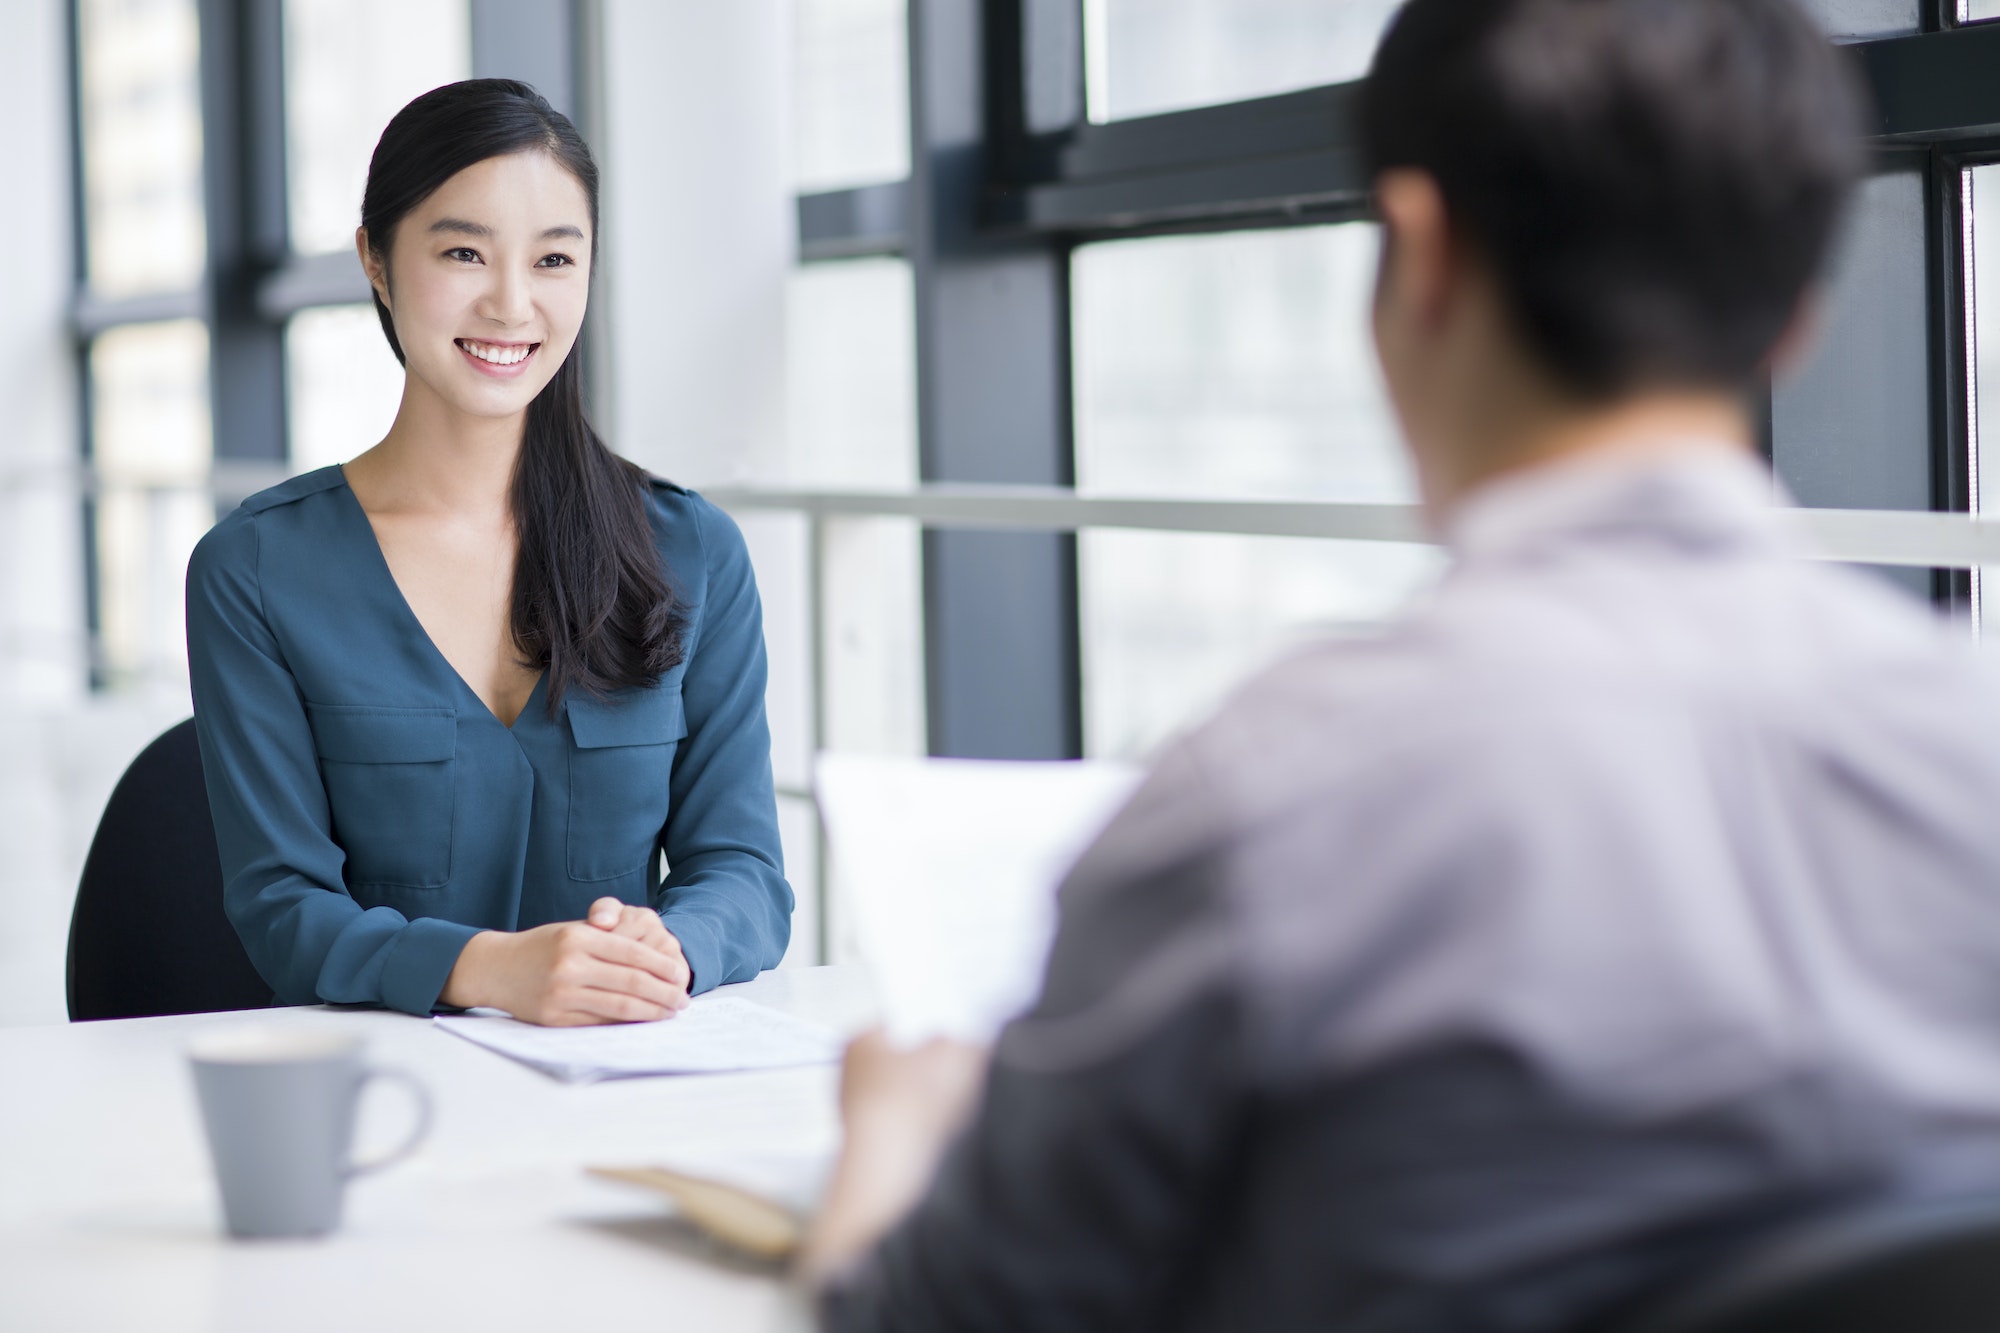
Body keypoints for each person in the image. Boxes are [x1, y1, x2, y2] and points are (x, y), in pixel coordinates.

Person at [803, 1, 2000, 1328]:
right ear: (1796, 317)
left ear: (1422, 256)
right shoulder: (1973, 744)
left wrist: (894, 1137)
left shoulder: (1276, 797)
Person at [186, 80, 790, 1025]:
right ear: (376, 261)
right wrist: (487, 969)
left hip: (631, 1078)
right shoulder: (256, 569)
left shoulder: (693, 549)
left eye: (554, 258)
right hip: (380, 1096)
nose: (511, 303)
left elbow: (744, 873)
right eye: (464, 251)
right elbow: (283, 911)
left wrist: (667, 950)